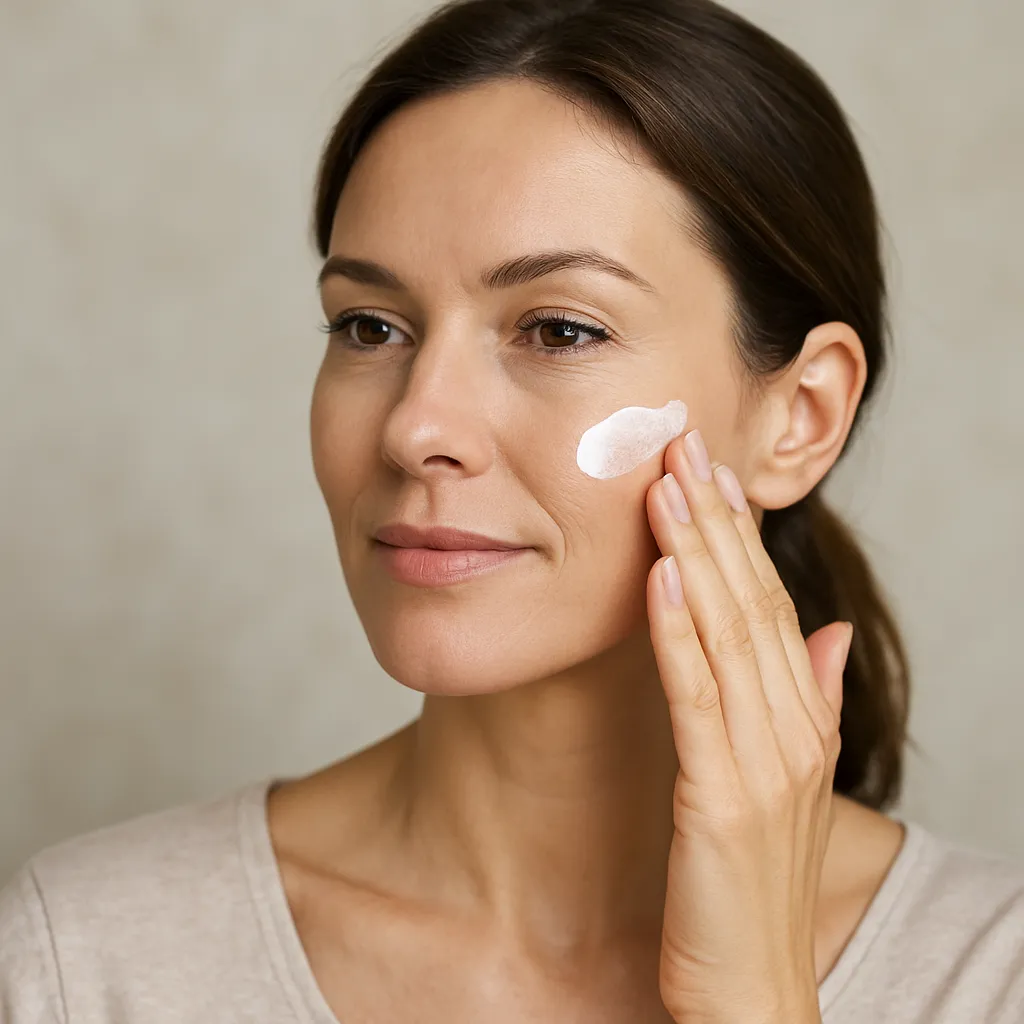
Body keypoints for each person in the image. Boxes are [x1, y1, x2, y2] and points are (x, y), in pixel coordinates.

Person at [2, 0, 1023, 1021]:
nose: (416, 427)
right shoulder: (85, 959)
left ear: (799, 417)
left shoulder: (989, 977)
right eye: (370, 326)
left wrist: (756, 999)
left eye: (560, 330)